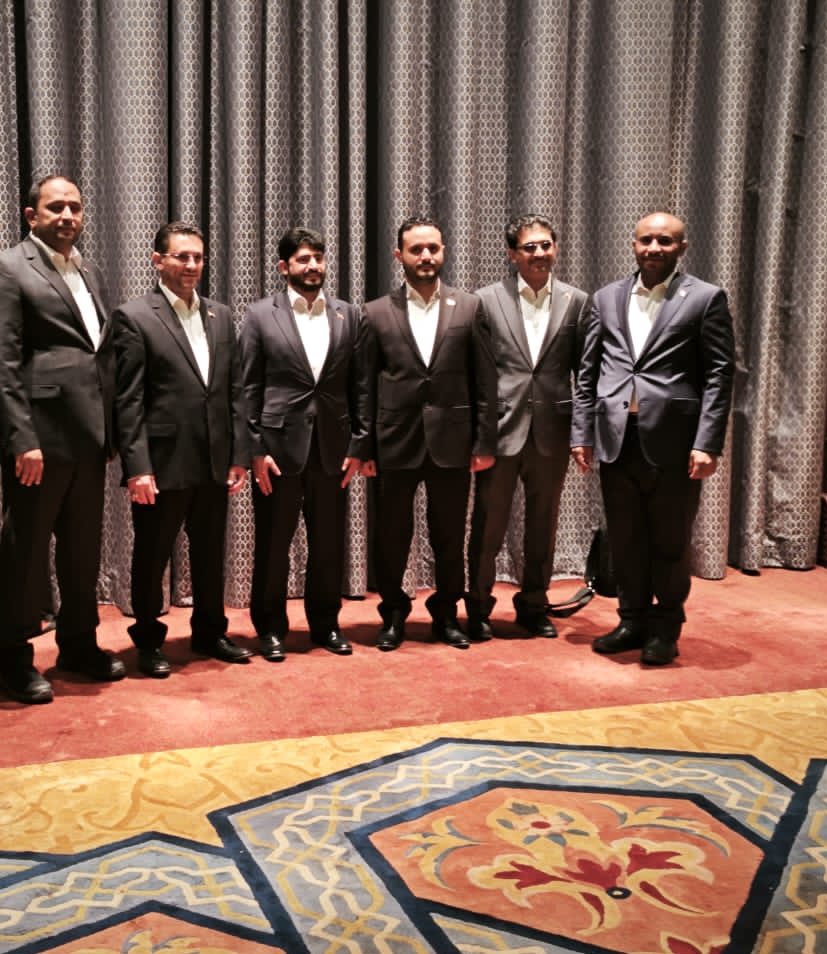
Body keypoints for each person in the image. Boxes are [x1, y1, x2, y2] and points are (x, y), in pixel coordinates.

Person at [0, 174, 123, 705]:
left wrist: (111, 429)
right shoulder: (5, 267)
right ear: (31, 215)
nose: (67, 216)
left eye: (75, 207)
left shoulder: (89, 271)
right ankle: (13, 660)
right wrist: (21, 437)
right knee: (26, 554)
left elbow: (95, 355)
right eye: (55, 207)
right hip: (38, 441)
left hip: (88, 439)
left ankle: (78, 645)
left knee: (82, 552)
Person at [571, 211, 735, 665]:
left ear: (682, 247)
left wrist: (707, 442)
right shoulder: (606, 298)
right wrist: (582, 434)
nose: (654, 248)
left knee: (669, 541)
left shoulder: (705, 298)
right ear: (634, 244)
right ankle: (631, 621)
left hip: (675, 443)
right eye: (646, 240)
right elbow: (587, 374)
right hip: (616, 438)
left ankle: (666, 629)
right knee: (626, 539)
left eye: (665, 241)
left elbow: (719, 375)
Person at [113, 221, 251, 678]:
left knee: (211, 554)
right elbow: (128, 400)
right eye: (182, 256)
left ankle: (210, 632)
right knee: (152, 557)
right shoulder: (134, 317)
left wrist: (238, 455)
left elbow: (233, 391)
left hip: (214, 461)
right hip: (162, 464)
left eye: (197, 257)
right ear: (158, 260)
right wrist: (137, 466)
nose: (192, 265)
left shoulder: (221, 316)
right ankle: (149, 640)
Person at [358, 217, 496, 652]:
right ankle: (393, 614)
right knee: (391, 538)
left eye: (433, 248)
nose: (426, 257)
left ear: (443, 251)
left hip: (453, 444)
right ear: (399, 255)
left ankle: (446, 615)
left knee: (449, 537)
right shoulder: (375, 312)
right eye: (416, 249)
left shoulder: (470, 307)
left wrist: (484, 441)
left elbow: (485, 382)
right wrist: (364, 445)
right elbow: (364, 387)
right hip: (393, 443)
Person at [240, 228, 370, 660]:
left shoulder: (348, 314)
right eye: (302, 259)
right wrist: (255, 449)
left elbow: (360, 384)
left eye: (318, 257)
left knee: (328, 544)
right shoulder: (261, 315)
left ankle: (325, 625)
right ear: (284, 267)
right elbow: (248, 388)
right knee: (273, 545)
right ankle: (270, 629)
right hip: (277, 451)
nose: (312, 266)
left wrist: (359, 444)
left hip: (333, 448)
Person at [467, 215, 588, 640]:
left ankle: (534, 604)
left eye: (545, 245)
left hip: (552, 432)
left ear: (556, 248)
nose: (539, 253)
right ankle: (478, 607)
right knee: (488, 525)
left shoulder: (577, 301)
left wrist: (582, 434)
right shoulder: (485, 301)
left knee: (543, 524)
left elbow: (585, 374)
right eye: (529, 247)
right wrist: (478, 436)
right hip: (500, 430)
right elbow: (476, 375)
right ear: (512, 254)